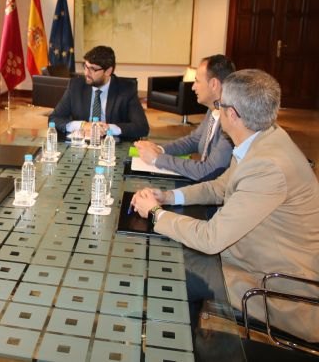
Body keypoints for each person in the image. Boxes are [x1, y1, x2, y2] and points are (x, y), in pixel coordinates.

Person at [131, 69, 319, 343]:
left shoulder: (267, 166)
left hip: (273, 288)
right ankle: (183, 337)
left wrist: (155, 214)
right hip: (248, 260)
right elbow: (220, 187)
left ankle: (171, 345)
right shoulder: (263, 138)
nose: (215, 110)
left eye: (219, 106)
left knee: (167, 271)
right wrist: (168, 198)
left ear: (232, 115)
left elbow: (211, 239)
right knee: (171, 253)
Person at [134, 55, 235, 181]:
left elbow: (209, 170)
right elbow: (193, 140)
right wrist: (160, 149)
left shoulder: (232, 120)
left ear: (214, 84)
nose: (193, 87)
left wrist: (157, 159)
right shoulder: (213, 109)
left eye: (197, 81)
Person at [49, 45, 149, 140]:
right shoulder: (76, 86)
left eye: (93, 69)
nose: (87, 73)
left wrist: (108, 128)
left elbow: (142, 127)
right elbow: (54, 119)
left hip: (111, 145)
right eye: (86, 66)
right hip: (81, 143)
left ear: (108, 71)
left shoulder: (126, 89)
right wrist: (83, 125)